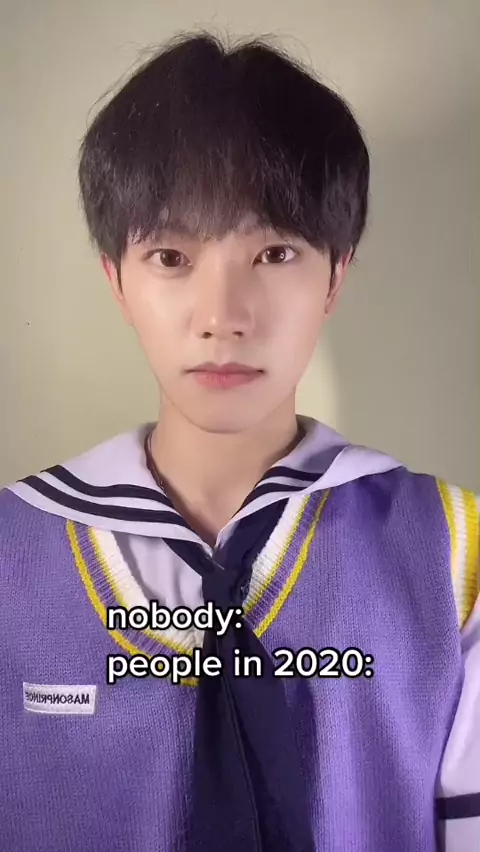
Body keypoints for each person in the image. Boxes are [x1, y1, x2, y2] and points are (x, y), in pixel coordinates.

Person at [0, 30, 478, 852]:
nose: (223, 315)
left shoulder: (455, 557)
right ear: (117, 280)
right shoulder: (12, 552)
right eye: (171, 256)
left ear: (335, 277)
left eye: (275, 252)